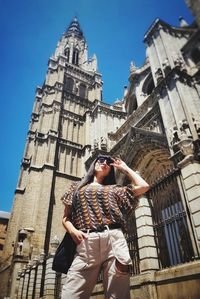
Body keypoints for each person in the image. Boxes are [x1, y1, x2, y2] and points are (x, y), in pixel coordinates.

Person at [61, 155, 149, 299]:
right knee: (71, 294)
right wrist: (72, 231)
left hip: (114, 239)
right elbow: (66, 218)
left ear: (110, 170)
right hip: (87, 241)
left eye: (108, 163)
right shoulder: (77, 187)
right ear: (93, 165)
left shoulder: (114, 189)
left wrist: (124, 168)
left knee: (118, 295)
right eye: (100, 160)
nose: (104, 163)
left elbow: (144, 186)